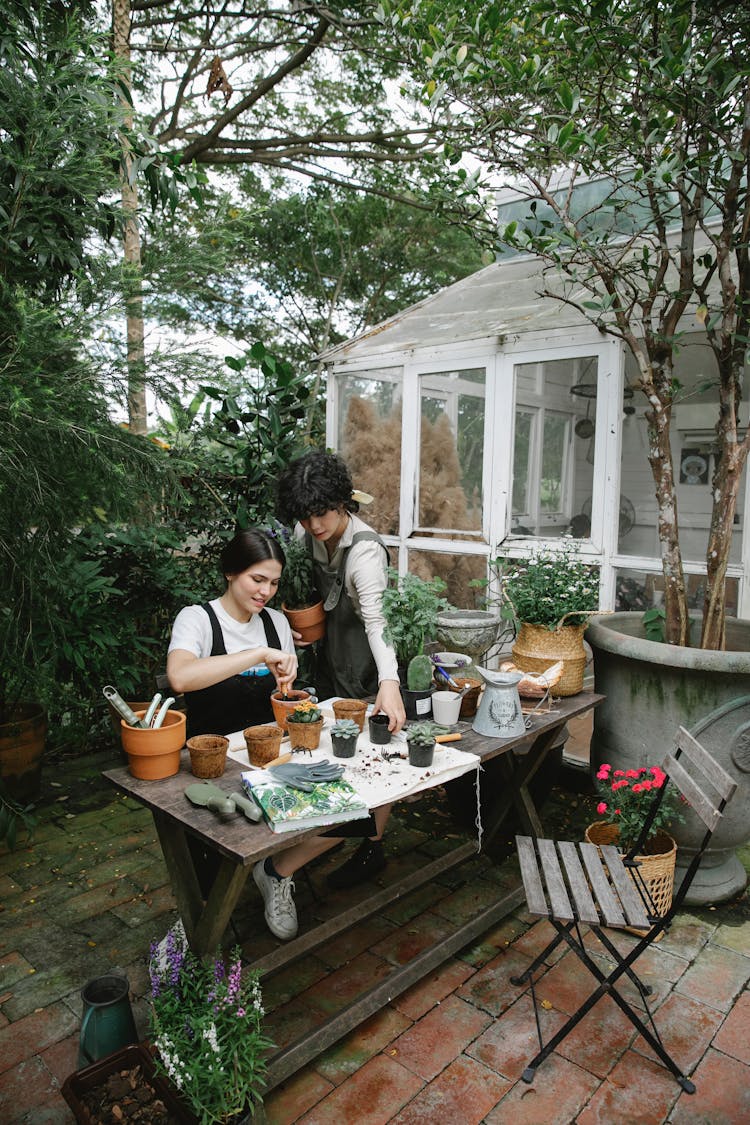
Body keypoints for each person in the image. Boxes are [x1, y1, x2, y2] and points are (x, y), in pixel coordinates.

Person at [168, 528, 359, 942]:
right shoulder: (198, 619)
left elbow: (286, 697)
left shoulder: (274, 622)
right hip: (213, 768)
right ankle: (207, 921)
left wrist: (289, 683)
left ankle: (276, 872)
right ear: (230, 572)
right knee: (213, 870)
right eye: (258, 579)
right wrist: (256, 655)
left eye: (273, 582)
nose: (266, 592)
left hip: (273, 760)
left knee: (354, 814)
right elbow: (180, 677)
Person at [275, 450, 406, 893]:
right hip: (329, 648)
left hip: (369, 655)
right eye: (306, 516)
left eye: (322, 513)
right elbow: (297, 586)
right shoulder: (303, 532)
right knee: (322, 742)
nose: (314, 526)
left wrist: (390, 684)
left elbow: (377, 623)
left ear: (342, 501)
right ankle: (322, 835)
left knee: (370, 748)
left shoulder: (366, 554)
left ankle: (368, 843)